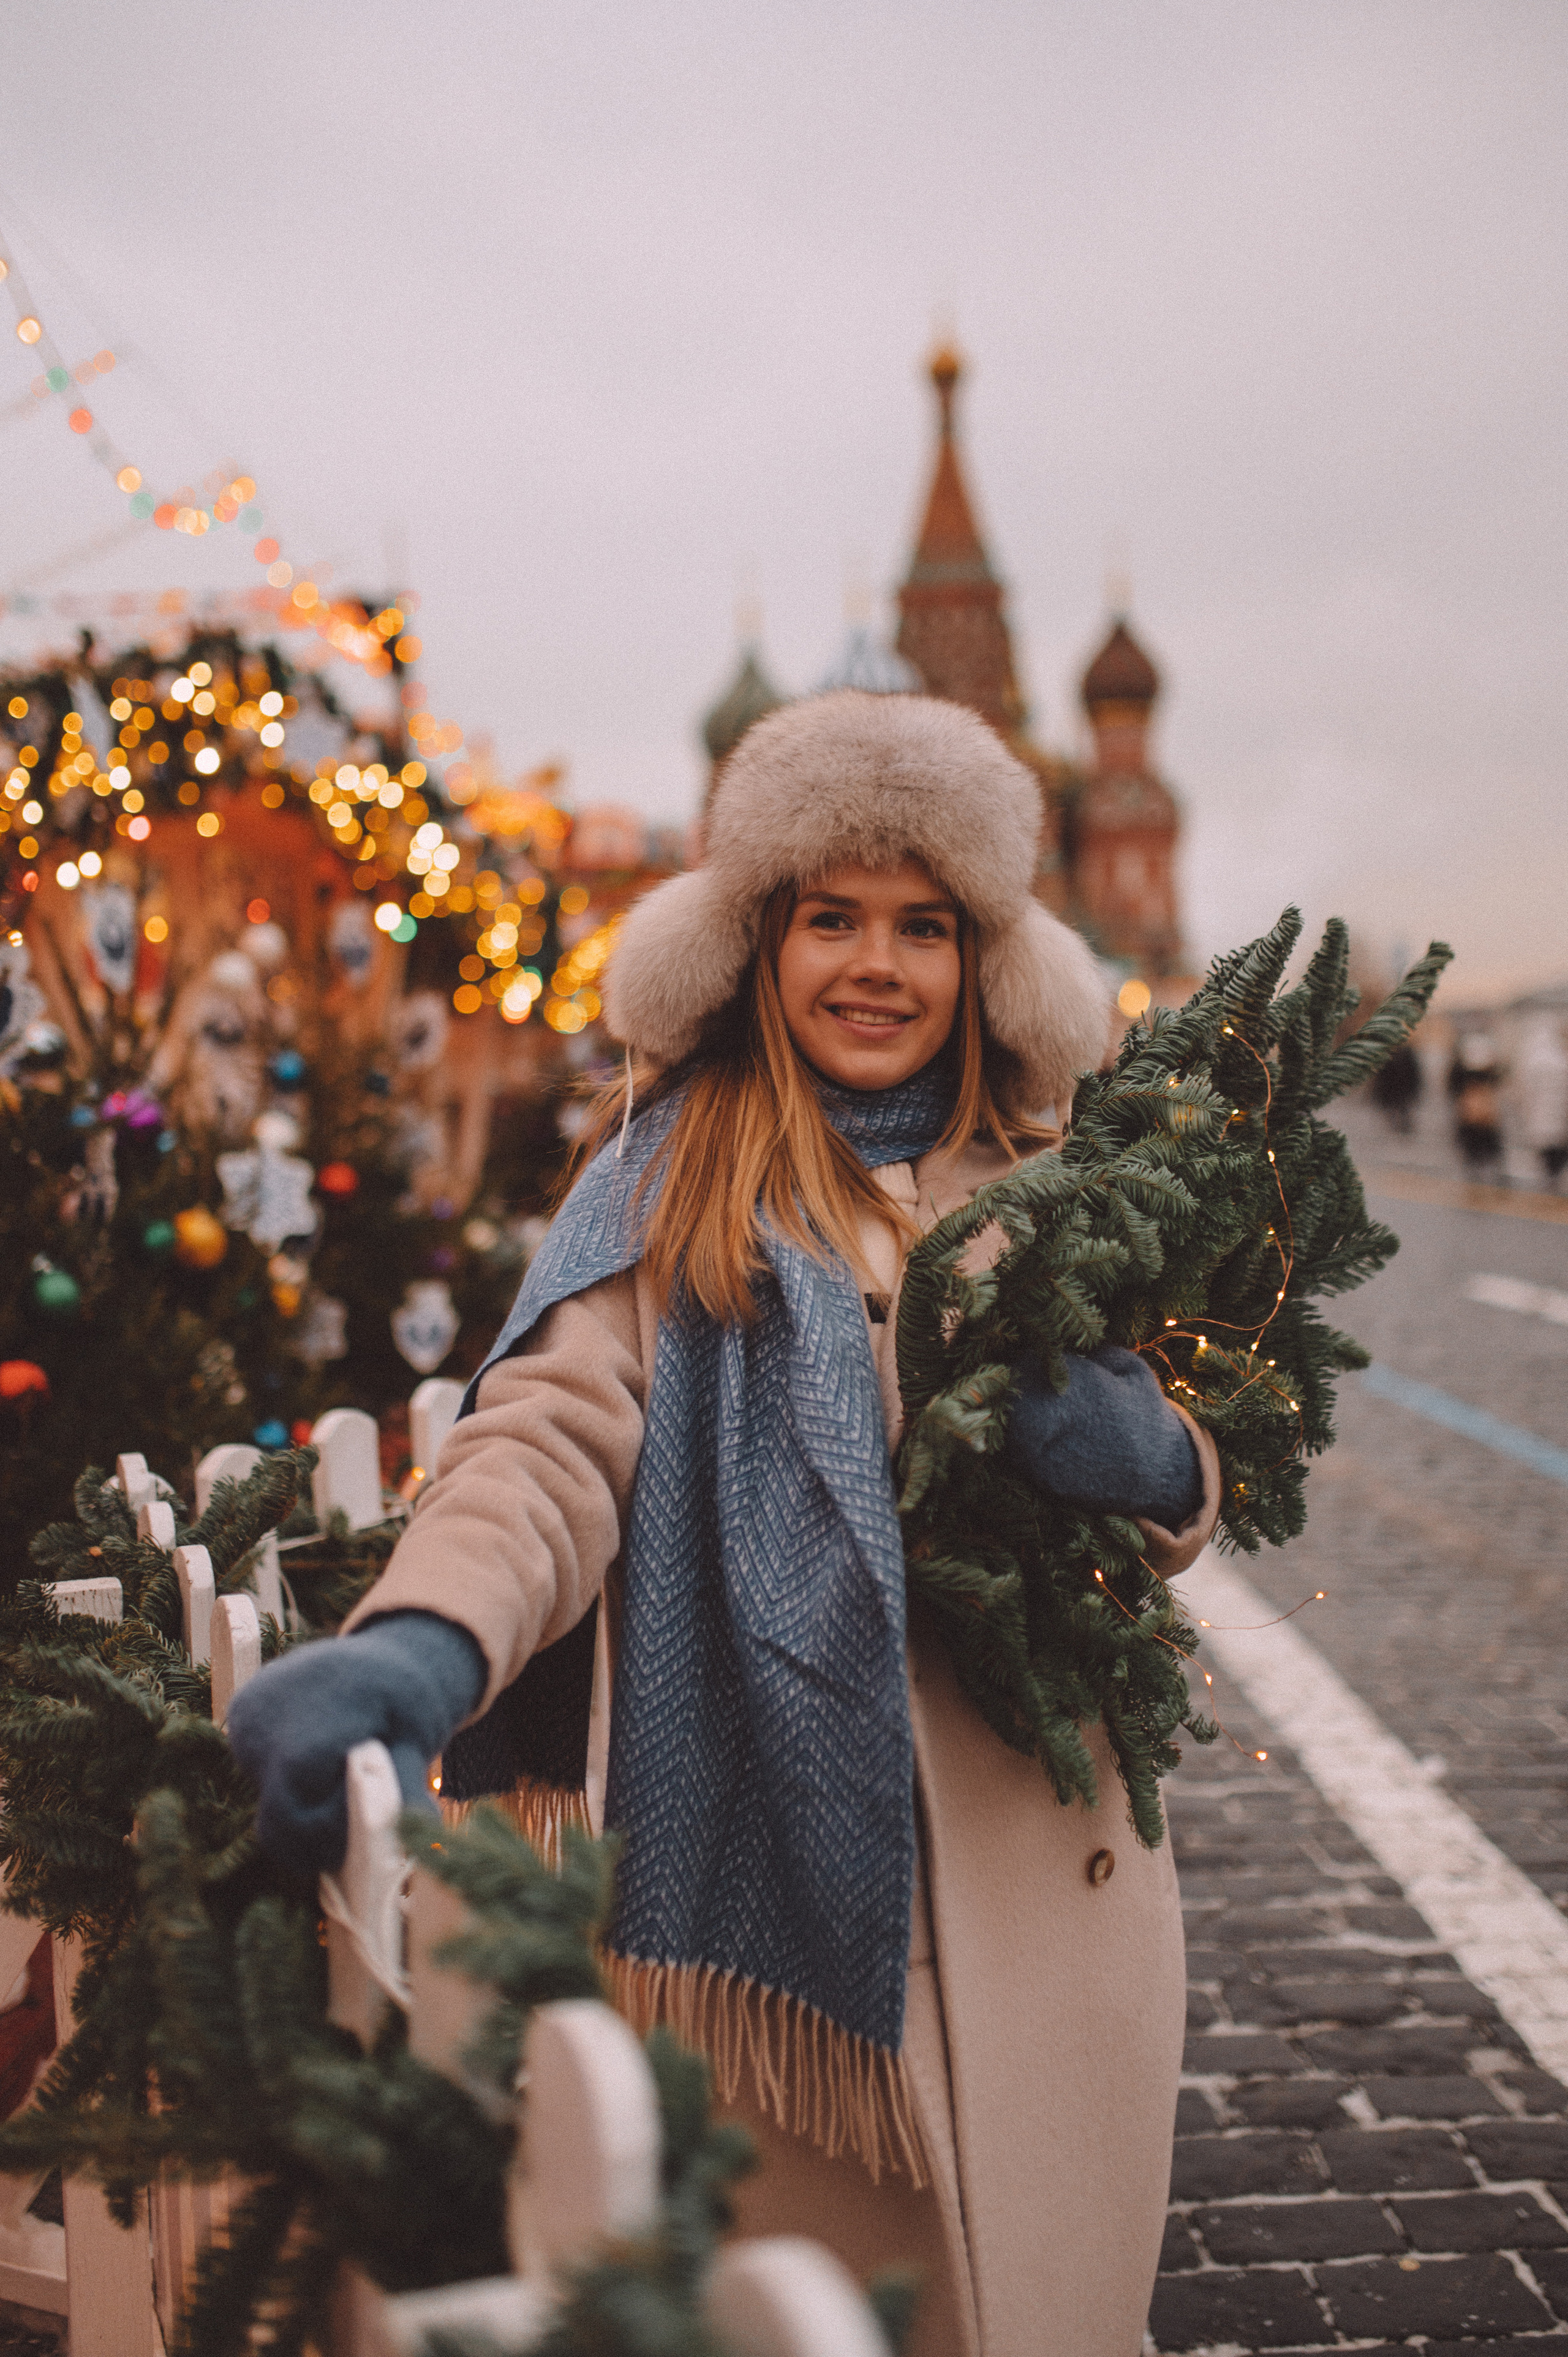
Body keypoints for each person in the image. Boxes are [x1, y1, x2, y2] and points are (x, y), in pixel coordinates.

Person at [230, 691, 1222, 2357]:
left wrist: (1159, 1459)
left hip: (1046, 1881)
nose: (876, 966)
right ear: (756, 940)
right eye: (831, 915)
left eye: (923, 924)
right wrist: (420, 1640)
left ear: (983, 959)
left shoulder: (1050, 1185)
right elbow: (545, 1442)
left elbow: (1215, 1459)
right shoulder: (665, 1178)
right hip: (796, 1908)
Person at [1516, 1013, 1568, 1190]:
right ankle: (1554, 1174)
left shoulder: (1533, 1059)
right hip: (1556, 1109)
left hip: (1542, 1109)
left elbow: (1526, 1087)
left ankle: (1550, 1174)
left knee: (1547, 1143)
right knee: (1556, 1143)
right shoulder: (1560, 1059)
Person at [1448, 1032, 1504, 1171]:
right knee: (1478, 1139)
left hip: (1478, 1116)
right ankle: (1479, 1162)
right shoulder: (1468, 1074)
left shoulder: (1464, 1071)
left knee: (1480, 1139)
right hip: (1476, 1115)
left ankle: (1480, 1161)